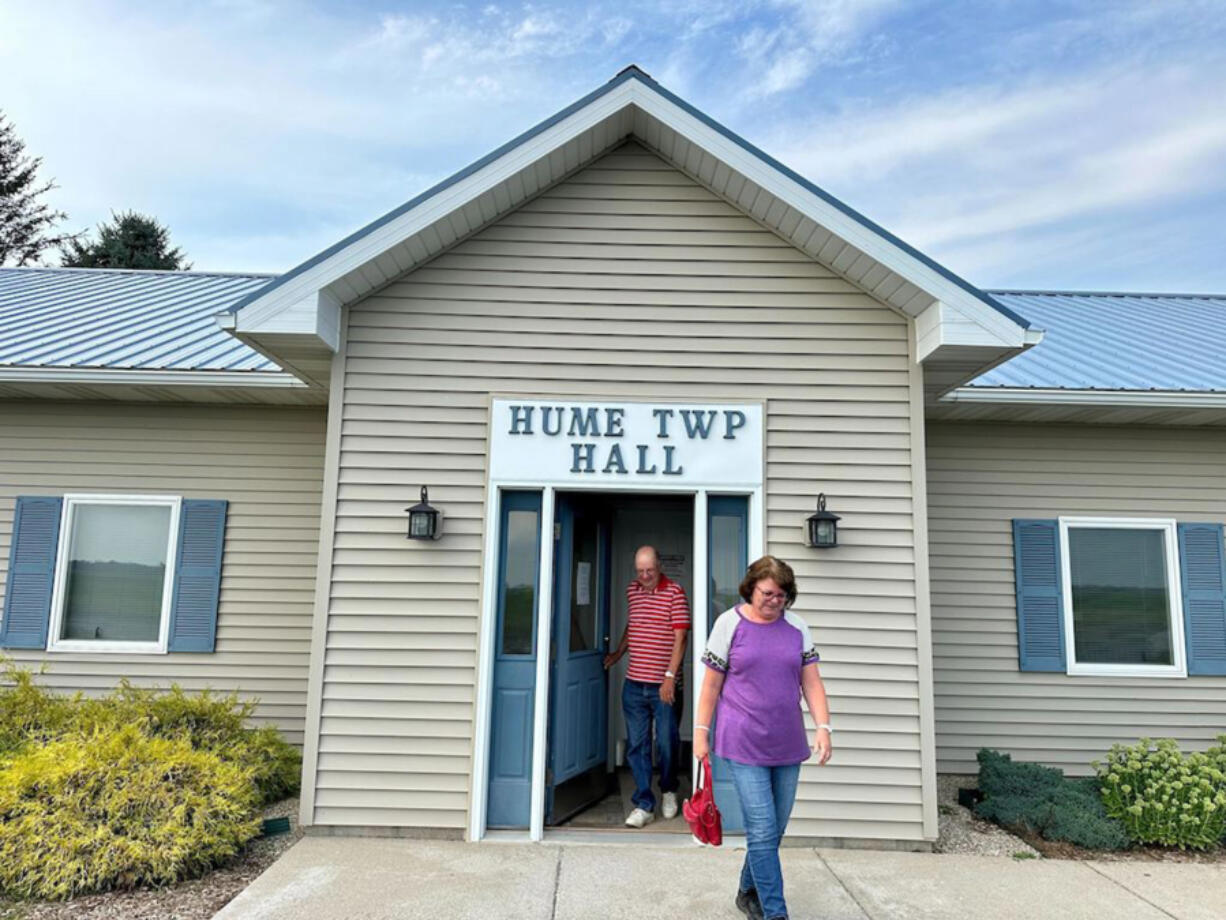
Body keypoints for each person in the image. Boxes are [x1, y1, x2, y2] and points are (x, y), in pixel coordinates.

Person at [694, 555, 832, 920]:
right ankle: (775, 913)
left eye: (782, 595)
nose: (774, 600)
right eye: (767, 593)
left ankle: (746, 891)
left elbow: (812, 682)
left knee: (773, 831)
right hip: (741, 741)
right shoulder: (729, 623)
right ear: (750, 588)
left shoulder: (797, 627)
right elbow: (711, 686)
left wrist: (823, 727)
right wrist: (700, 733)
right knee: (762, 828)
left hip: (787, 743)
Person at [603, 545, 690, 828]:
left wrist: (669, 677)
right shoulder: (633, 590)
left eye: (649, 570)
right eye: (640, 571)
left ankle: (668, 789)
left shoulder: (675, 593)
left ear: (659, 566)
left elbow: (681, 638)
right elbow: (635, 624)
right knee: (637, 746)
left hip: (662, 686)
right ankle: (644, 804)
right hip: (634, 684)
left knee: (666, 742)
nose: (645, 576)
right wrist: (618, 652)